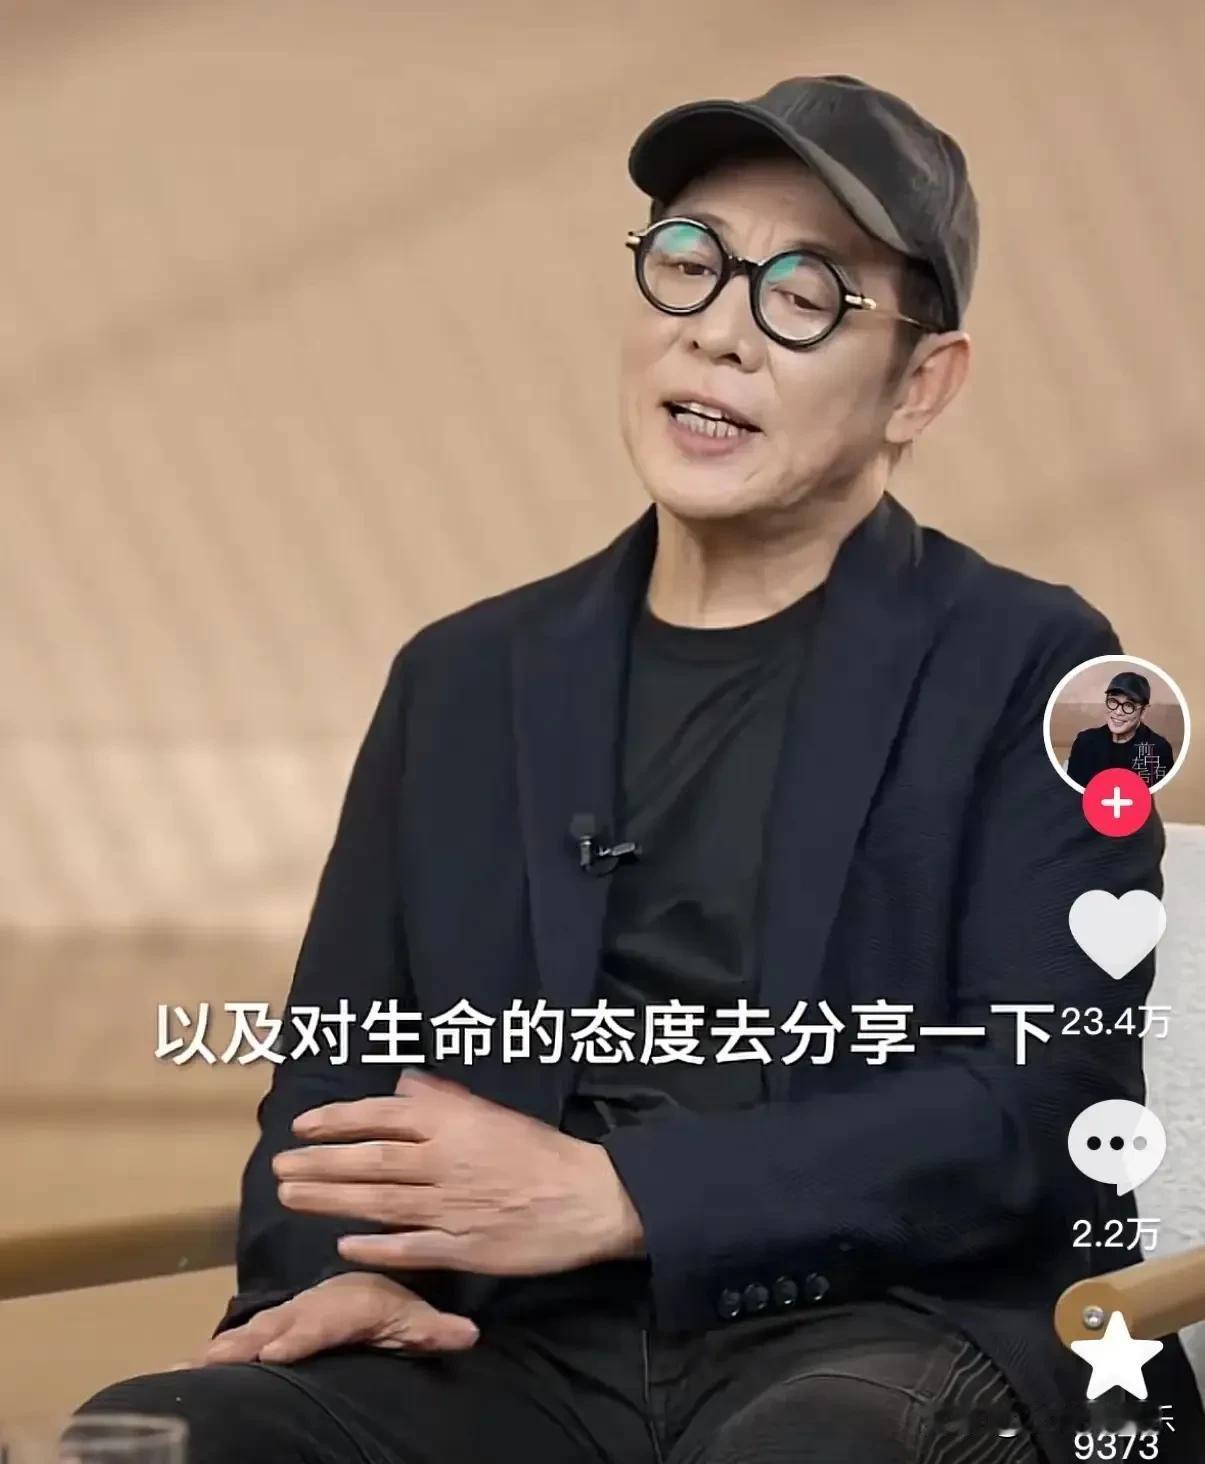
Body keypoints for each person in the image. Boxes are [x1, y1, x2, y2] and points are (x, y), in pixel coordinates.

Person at [77, 75, 1205, 1464]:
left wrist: (627, 1196)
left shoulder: (1039, 666)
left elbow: (1042, 1097)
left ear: (920, 384)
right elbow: (344, 1057)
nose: (719, 331)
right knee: (158, 1435)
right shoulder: (461, 678)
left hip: (878, 1331)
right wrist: (334, 1270)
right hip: (521, 1355)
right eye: (688, 263)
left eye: (804, 296)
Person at [1067, 671, 1176, 789]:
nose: (1118, 712)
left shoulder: (1158, 749)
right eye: (1113, 701)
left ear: (1143, 711)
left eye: (1129, 705)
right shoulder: (1085, 742)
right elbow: (1070, 792)